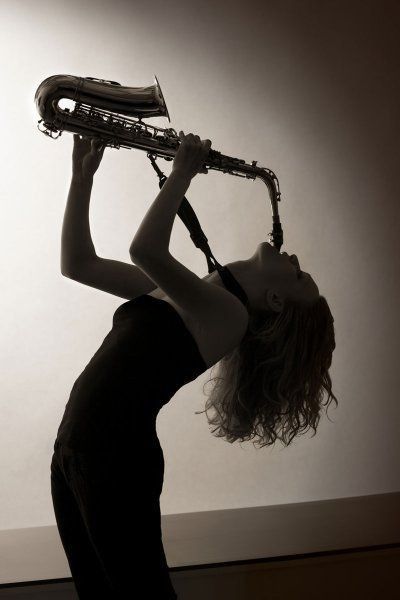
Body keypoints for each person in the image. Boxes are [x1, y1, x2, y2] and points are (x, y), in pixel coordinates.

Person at [50, 132, 337, 599]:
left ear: (277, 299)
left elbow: (145, 249)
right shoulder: (190, 296)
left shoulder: (230, 317)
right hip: (76, 449)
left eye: (300, 275)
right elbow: (77, 263)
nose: (297, 259)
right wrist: (80, 180)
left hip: (114, 454)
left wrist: (182, 172)